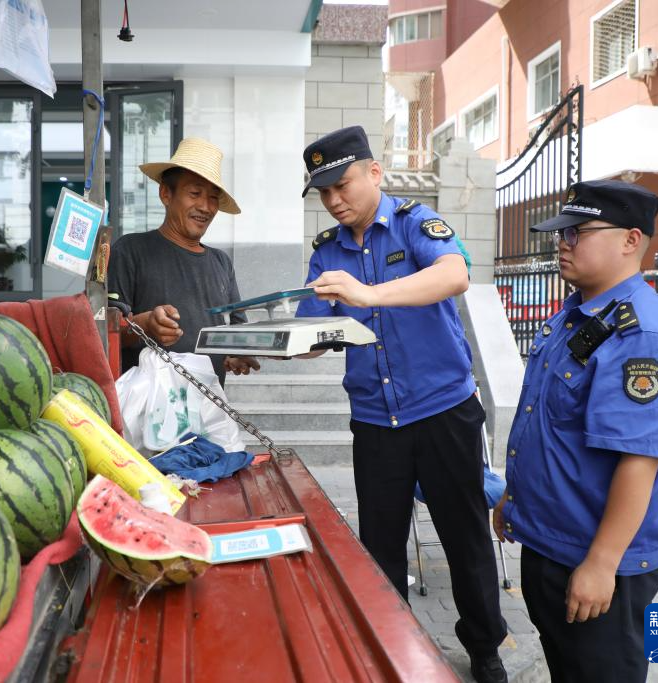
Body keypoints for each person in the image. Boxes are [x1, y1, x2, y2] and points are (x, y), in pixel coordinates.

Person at [296, 126, 508, 683]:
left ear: (374, 172)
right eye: (324, 193)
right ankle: (396, 648)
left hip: (444, 412)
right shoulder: (327, 253)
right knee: (381, 547)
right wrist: (282, 343)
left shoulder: (417, 224)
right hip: (375, 423)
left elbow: (455, 274)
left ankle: (485, 648)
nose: (335, 201)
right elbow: (309, 334)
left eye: (342, 185)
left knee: (465, 540)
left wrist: (368, 295)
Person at [492, 180, 658, 682]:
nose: (563, 242)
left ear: (630, 240)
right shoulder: (578, 315)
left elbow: (639, 460)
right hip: (551, 544)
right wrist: (514, 500)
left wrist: (602, 564)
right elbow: (549, 427)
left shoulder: (639, 335)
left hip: (596, 561)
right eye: (562, 232)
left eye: (578, 232)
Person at [107, 137, 260, 387]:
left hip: (209, 408)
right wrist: (144, 324)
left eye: (213, 197)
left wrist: (236, 353)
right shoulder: (130, 250)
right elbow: (105, 332)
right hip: (147, 411)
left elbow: (236, 329)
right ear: (166, 193)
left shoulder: (221, 262)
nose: (205, 206)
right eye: (194, 193)